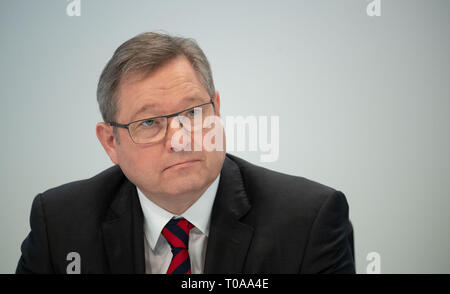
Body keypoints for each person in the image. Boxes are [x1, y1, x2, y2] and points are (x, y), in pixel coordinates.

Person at [16, 32, 355, 274]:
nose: (180, 139)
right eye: (149, 122)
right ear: (110, 143)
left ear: (216, 110)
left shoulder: (309, 221)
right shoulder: (60, 225)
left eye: (192, 113)